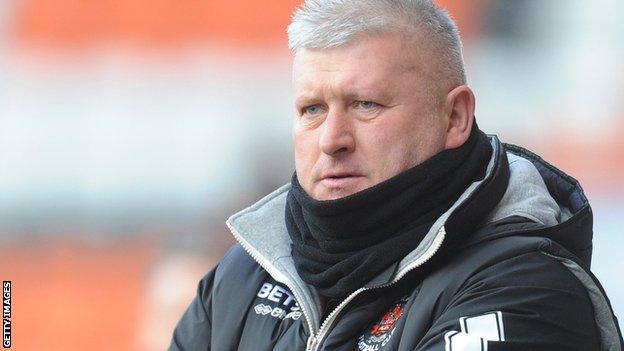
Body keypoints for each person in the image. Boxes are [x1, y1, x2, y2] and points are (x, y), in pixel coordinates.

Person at [169, 0, 623, 350]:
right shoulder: (243, 278)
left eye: (366, 105)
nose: (331, 139)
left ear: (454, 117)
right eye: (312, 109)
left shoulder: (529, 290)